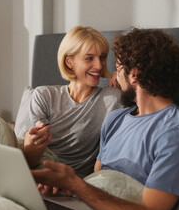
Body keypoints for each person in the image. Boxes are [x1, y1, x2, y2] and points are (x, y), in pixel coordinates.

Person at [32, 28, 179, 210]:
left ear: (134, 75)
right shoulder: (116, 119)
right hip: (84, 207)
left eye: (118, 68)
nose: (114, 76)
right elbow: (97, 180)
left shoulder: (175, 133)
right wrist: (66, 188)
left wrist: (75, 184)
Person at [22, 25, 121, 179]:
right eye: (89, 58)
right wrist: (34, 145)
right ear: (69, 62)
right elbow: (29, 161)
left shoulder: (112, 99)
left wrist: (123, 74)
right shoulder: (44, 95)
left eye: (102, 57)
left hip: (71, 182)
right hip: (37, 173)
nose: (99, 65)